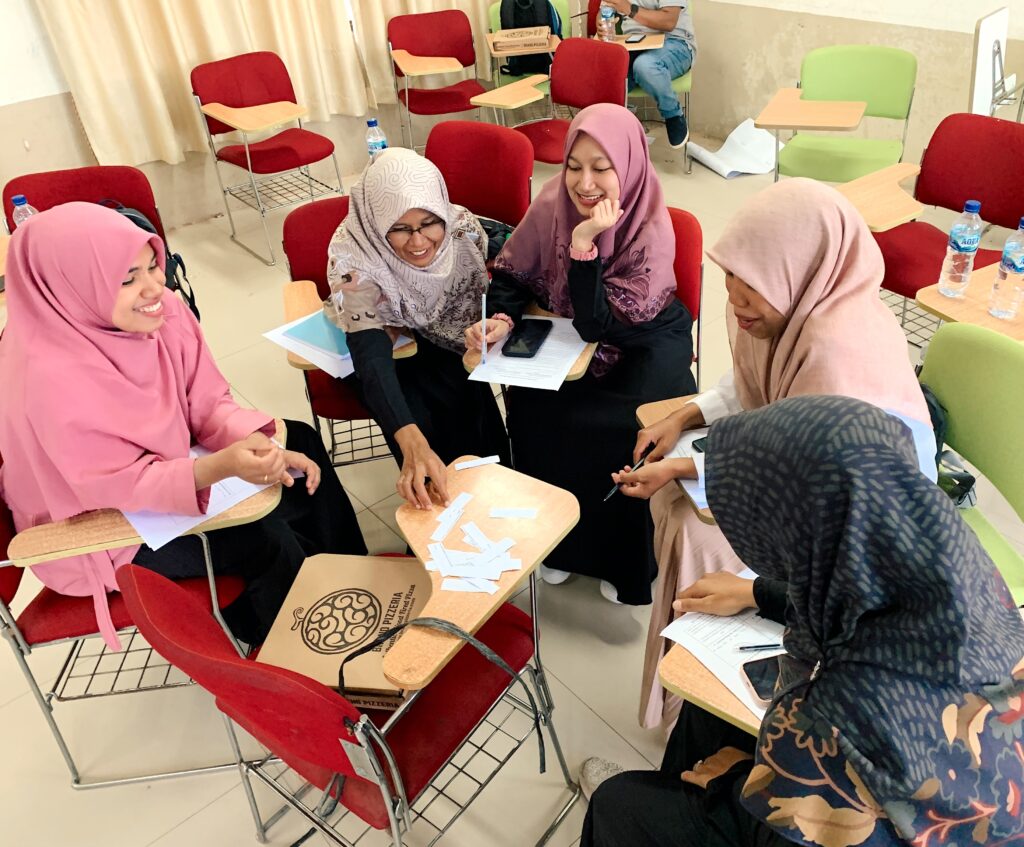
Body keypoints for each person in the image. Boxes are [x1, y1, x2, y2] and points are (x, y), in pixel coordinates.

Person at [581, 395, 1024, 847]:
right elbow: (856, 594)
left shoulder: (834, 718)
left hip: (845, 819)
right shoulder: (962, 571)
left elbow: (801, 823)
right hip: (963, 793)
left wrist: (731, 779)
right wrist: (756, 593)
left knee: (618, 803)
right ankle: (682, 789)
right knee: (705, 717)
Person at [614, 178, 937, 728]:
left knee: (696, 531)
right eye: (730, 275)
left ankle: (697, 697)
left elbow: (813, 473)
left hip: (866, 530)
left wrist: (686, 468)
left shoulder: (839, 355)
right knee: (677, 508)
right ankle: (684, 696)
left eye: (753, 282)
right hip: (811, 488)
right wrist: (682, 417)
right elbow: (747, 388)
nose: (735, 297)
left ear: (801, 272)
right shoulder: (789, 309)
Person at [0, 203, 366, 650]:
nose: (156, 286)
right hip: (94, 524)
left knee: (299, 449)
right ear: (73, 287)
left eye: (154, 265)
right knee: (263, 538)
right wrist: (218, 468)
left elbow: (207, 400)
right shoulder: (47, 375)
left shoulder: (165, 310)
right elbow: (114, 485)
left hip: (167, 470)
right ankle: (296, 655)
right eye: (127, 278)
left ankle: (357, 587)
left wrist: (252, 442)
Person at [467, 103, 695, 605]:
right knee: (532, 412)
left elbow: (605, 323)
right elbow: (512, 273)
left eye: (601, 167)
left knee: (620, 431)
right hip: (570, 338)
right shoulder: (551, 202)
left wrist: (584, 245)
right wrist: (500, 319)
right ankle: (561, 546)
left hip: (644, 341)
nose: (584, 183)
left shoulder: (649, 225)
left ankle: (625, 565)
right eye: (574, 166)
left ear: (629, 166)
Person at [326, 148, 510, 510]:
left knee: (473, 417)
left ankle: (493, 502)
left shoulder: (462, 230)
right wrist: (409, 436)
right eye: (399, 229)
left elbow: (521, 259)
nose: (419, 242)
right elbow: (370, 353)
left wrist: (501, 315)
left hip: (448, 336)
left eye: (429, 224)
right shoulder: (355, 261)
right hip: (387, 346)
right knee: (418, 420)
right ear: (377, 225)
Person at [604, 0, 696, 148]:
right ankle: (613, 136)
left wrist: (629, 9)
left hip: (674, 42)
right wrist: (602, 24)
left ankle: (673, 115)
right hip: (633, 44)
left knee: (645, 65)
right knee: (608, 73)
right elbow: (605, 11)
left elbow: (668, 21)